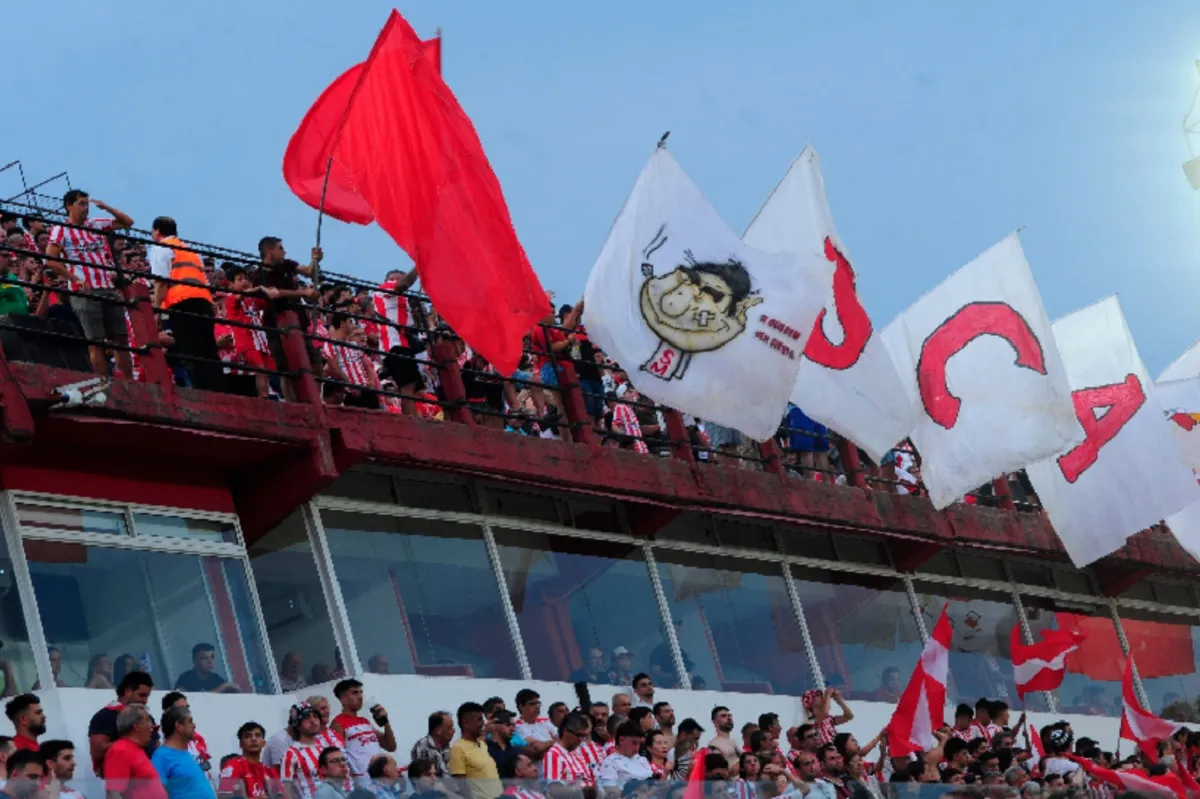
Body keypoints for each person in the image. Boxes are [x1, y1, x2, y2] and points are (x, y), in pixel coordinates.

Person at [43, 189, 135, 377]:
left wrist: (107, 207)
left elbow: (128, 222)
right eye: (81, 204)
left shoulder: (96, 224)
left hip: (107, 286)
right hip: (84, 289)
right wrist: (74, 278)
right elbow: (50, 259)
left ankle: (128, 382)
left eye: (87, 204)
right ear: (69, 206)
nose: (86, 208)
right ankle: (104, 382)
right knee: (96, 341)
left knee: (120, 339)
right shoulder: (61, 230)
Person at [148, 217, 223, 392]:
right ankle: (219, 390)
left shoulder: (160, 247)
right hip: (202, 301)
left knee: (190, 349)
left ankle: (202, 391)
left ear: (157, 231)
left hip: (181, 302)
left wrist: (157, 310)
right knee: (208, 350)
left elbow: (161, 281)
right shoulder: (188, 249)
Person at [330, 680, 395, 788]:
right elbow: (337, 758)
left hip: (383, 778)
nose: (360, 697)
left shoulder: (365, 721)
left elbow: (391, 746)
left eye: (361, 692)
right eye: (355, 693)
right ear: (344, 699)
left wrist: (385, 722)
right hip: (364, 783)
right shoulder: (337, 723)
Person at [90, 671, 156, 776]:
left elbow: (155, 746)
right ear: (128, 691)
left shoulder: (148, 717)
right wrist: (133, 741)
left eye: (147, 696)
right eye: (142, 695)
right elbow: (97, 751)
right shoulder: (105, 716)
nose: (145, 701)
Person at [151, 706, 216, 799]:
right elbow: (155, 793)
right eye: (190, 721)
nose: (194, 725)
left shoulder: (185, 753)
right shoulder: (161, 756)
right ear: (179, 726)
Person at [105, 704, 165, 799]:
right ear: (136, 726)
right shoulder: (120, 751)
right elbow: (113, 793)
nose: (152, 726)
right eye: (147, 720)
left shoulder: (137, 749)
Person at [448, 702, 500, 799]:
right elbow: (461, 785)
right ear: (466, 723)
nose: (483, 723)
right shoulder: (458, 748)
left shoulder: (483, 745)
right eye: (479, 719)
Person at [218, 722, 280, 799]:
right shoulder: (232, 767)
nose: (253, 739)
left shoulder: (270, 772)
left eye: (258, 736)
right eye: (248, 736)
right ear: (240, 744)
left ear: (263, 743)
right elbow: (224, 798)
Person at [161, 694, 211, 774]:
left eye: (187, 707)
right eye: (182, 708)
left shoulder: (197, 738)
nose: (187, 711)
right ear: (168, 712)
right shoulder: (158, 740)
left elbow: (205, 770)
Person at [596, 721, 652, 789]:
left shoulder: (642, 760)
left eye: (639, 743)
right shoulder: (610, 763)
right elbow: (609, 791)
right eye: (634, 743)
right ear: (621, 740)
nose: (637, 748)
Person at [409, 712, 453, 779]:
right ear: (438, 730)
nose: (454, 730)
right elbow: (423, 779)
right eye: (450, 727)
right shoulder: (422, 747)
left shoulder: (447, 747)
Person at [512, 690, 555, 757]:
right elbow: (537, 748)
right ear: (521, 706)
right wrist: (556, 742)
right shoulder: (517, 727)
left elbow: (564, 740)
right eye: (532, 704)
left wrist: (546, 745)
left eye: (538, 703)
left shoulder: (546, 722)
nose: (537, 707)